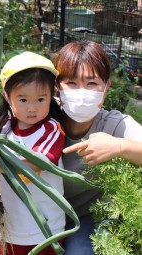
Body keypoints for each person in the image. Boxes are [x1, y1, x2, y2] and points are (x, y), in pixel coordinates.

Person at [52, 40, 142, 255]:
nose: (82, 92)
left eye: (92, 83)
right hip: (38, 212)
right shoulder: (40, 114)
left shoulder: (114, 124)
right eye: (71, 83)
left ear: (106, 87)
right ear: (57, 87)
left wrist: (119, 146)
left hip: (84, 218)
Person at [0, 51, 65, 255]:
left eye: (41, 99)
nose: (32, 108)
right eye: (23, 100)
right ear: (7, 97)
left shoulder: (51, 129)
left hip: (44, 227)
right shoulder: (4, 126)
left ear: (51, 96)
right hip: (9, 224)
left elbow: (39, 163)